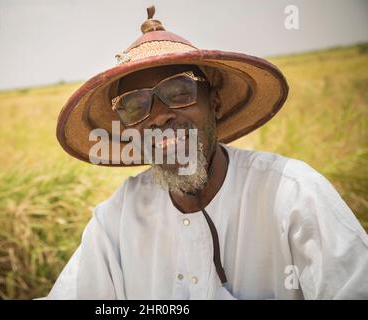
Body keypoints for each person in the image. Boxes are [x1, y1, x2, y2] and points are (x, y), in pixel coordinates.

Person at [47, 6, 368, 299]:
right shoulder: (115, 221)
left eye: (179, 91)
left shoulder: (293, 193)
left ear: (213, 103)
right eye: (134, 106)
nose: (159, 116)